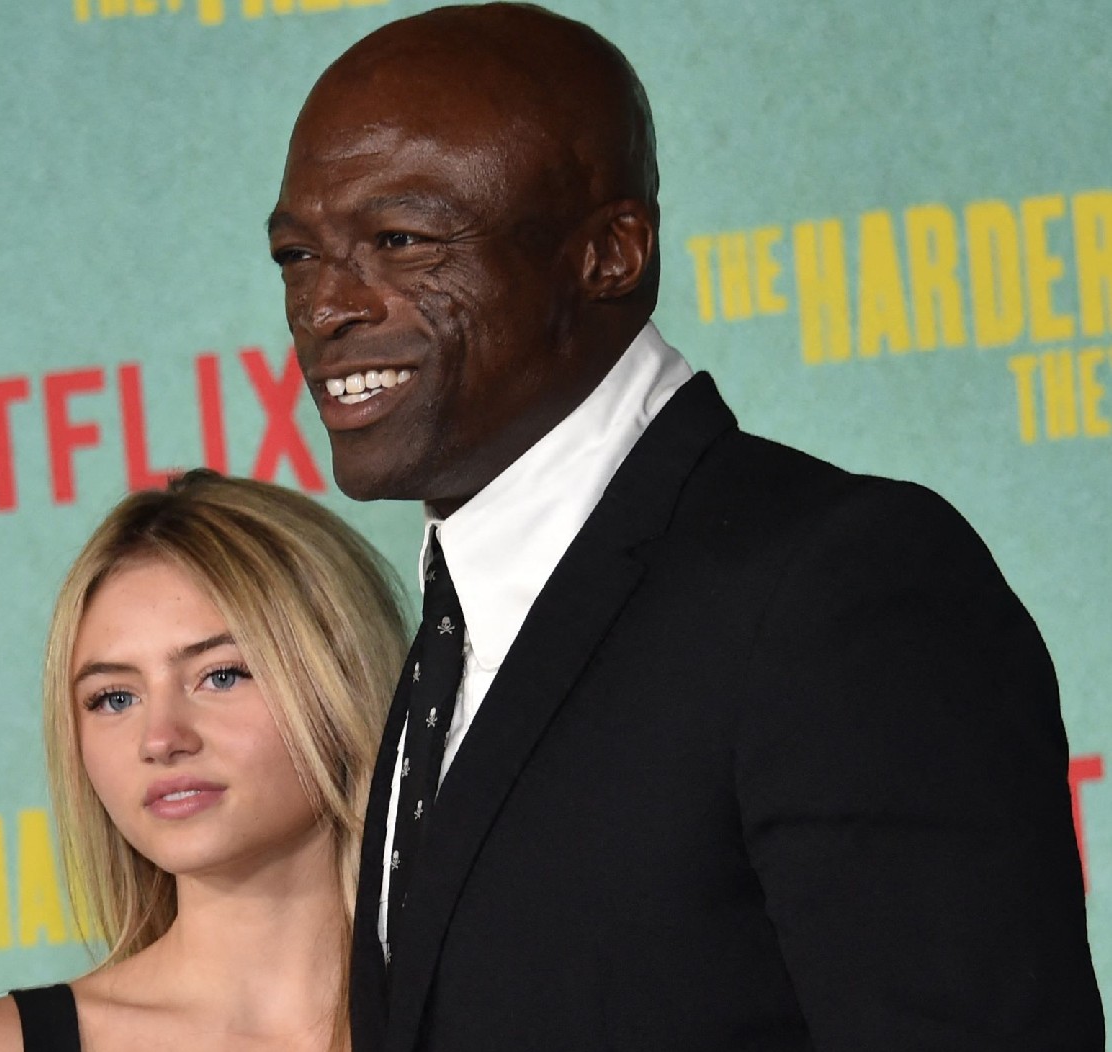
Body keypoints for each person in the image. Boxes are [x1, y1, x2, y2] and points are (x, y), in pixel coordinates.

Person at [266, 4, 1103, 1050]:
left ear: (612, 253)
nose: (325, 306)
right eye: (298, 256)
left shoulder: (838, 586)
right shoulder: (456, 637)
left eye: (400, 240)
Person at [0, 470, 408, 1052]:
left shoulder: (501, 1009)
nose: (160, 738)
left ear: (340, 680)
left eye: (220, 676)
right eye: (114, 698)